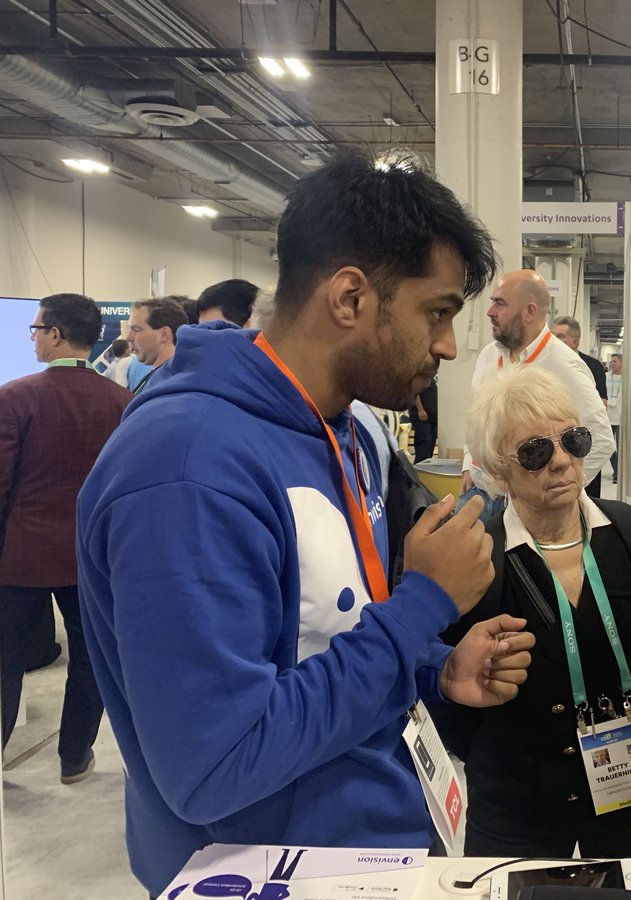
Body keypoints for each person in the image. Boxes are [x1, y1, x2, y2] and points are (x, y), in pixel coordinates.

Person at [76, 151, 537, 897]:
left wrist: (434, 669)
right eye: (438, 312)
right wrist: (422, 606)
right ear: (350, 297)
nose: (450, 345)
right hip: (263, 872)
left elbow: (317, 639)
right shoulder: (187, 467)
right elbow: (214, 765)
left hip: (365, 850)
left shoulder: (344, 430)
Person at [437, 367, 631, 858]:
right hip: (515, 803)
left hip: (626, 792)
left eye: (573, 440)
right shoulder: (475, 555)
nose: (562, 462)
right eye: (534, 451)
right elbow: (453, 688)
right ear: (498, 469)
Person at [0, 293, 130, 784]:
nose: (32, 337)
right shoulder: (124, 403)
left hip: (21, 557)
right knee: (91, 657)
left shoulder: (14, 398)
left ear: (55, 334)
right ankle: (74, 757)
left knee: (5, 660)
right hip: (93, 558)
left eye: (35, 329)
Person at [460, 269, 614, 517]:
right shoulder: (489, 356)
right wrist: (469, 464)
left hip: (530, 508)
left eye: (500, 303)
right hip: (481, 494)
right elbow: (477, 421)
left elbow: (602, 439)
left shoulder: (563, 365)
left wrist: (559, 491)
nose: (490, 312)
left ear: (530, 311)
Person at [552, 315, 608, 498]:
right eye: (552, 335)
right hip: (558, 444)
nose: (553, 340)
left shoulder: (593, 366)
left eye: (560, 336)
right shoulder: (550, 364)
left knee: (587, 499)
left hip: (585, 441)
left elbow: (602, 403)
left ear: (575, 341)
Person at [126, 297, 188, 393]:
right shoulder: (156, 377)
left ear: (164, 334)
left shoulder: (174, 387)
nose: (128, 338)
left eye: (136, 329)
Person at [409, 378, 438, 463]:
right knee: (425, 443)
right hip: (421, 416)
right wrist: (420, 410)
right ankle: (420, 471)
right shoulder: (419, 376)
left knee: (430, 445)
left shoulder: (430, 379)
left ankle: (426, 469)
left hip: (432, 417)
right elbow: (414, 392)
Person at [607, 353, 623, 483]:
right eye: (611, 361)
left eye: (615, 361)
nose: (612, 364)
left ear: (621, 363)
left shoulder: (627, 379)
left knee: (621, 447)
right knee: (609, 447)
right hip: (607, 417)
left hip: (620, 418)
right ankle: (616, 469)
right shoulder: (606, 377)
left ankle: (618, 473)